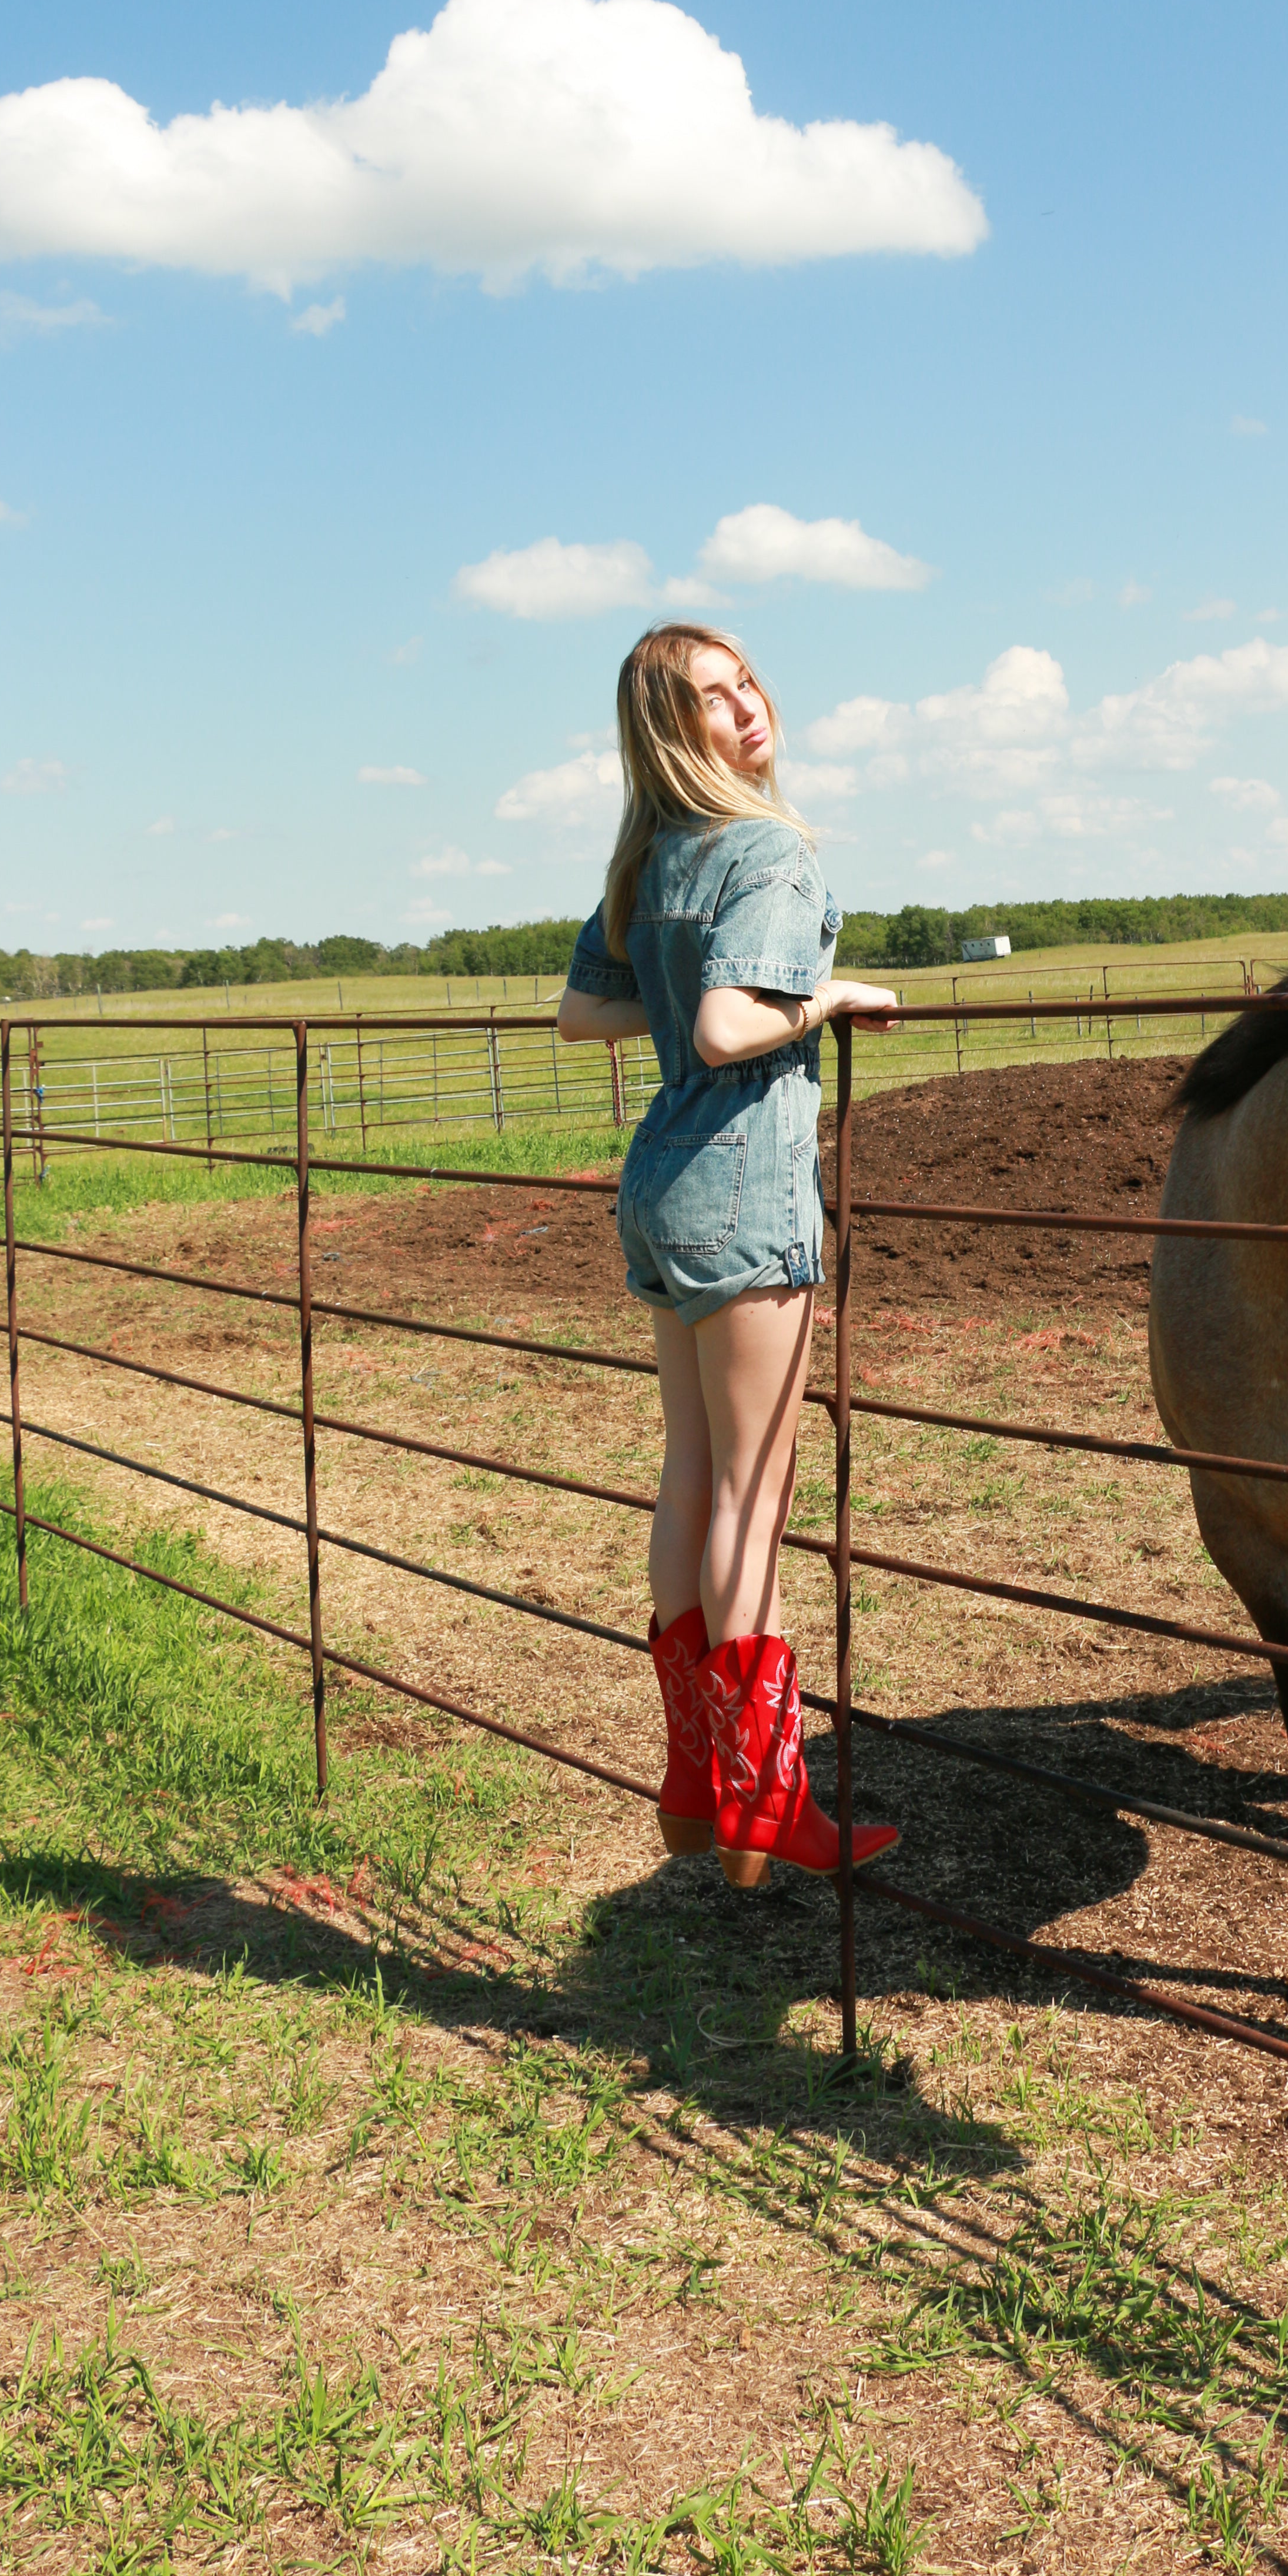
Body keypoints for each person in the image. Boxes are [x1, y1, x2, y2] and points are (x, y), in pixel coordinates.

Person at [556, 621, 902, 1886]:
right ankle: (769, 1800)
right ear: (673, 728)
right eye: (713, 696)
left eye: (747, 679)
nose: (747, 706)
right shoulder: (766, 847)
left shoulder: (647, 861)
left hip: (656, 1187)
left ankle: (698, 1780)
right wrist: (829, 1001)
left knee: (691, 1479)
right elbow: (720, 1027)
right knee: (750, 1501)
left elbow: (583, 1008)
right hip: (741, 1190)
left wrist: (698, 989)